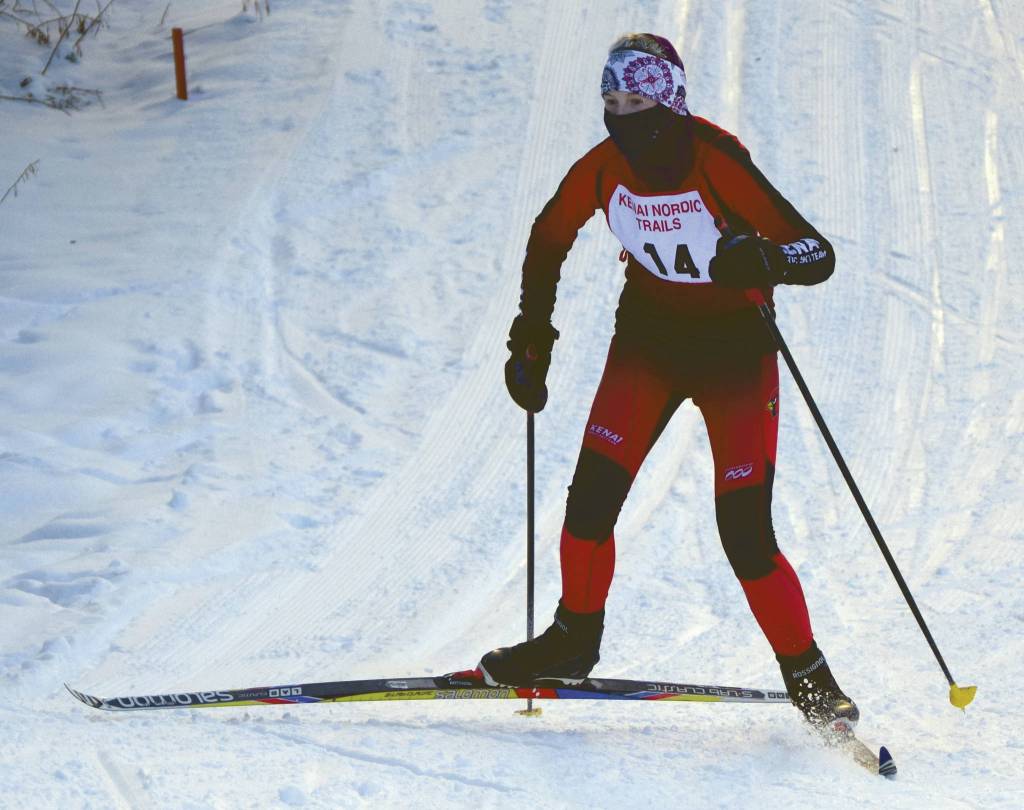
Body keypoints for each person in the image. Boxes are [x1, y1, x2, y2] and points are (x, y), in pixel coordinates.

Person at [478, 33, 858, 731]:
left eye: (637, 102)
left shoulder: (717, 161)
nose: (622, 117)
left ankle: (811, 678)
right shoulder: (602, 168)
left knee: (744, 528)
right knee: (590, 500)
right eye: (610, 102)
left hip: (735, 355)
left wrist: (765, 260)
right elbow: (548, 234)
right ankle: (571, 641)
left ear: (670, 102)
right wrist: (533, 333)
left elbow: (817, 252)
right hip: (648, 343)